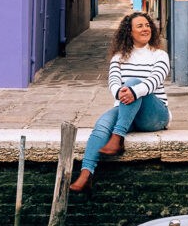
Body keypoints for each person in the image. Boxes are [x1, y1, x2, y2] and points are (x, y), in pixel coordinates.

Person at [70, 11, 170, 193]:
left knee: (133, 83)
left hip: (155, 115)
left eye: (147, 25)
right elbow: (113, 83)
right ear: (129, 32)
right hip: (128, 111)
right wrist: (122, 93)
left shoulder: (160, 55)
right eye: (140, 26)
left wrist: (132, 90)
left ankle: (118, 138)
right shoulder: (118, 57)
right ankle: (86, 174)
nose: (145, 29)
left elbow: (155, 80)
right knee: (101, 124)